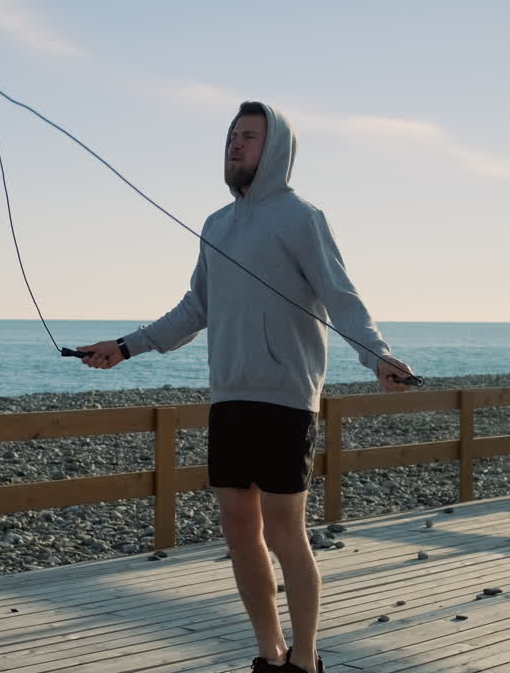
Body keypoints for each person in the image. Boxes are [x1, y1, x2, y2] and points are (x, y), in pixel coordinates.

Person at [78, 101, 414, 673]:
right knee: (239, 531)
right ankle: (269, 651)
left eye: (250, 137)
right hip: (228, 397)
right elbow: (195, 309)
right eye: (232, 136)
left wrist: (376, 356)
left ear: (276, 147)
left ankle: (305, 658)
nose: (236, 144)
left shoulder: (301, 217)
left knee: (286, 531)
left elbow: (340, 295)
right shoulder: (215, 224)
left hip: (285, 397)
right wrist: (127, 346)